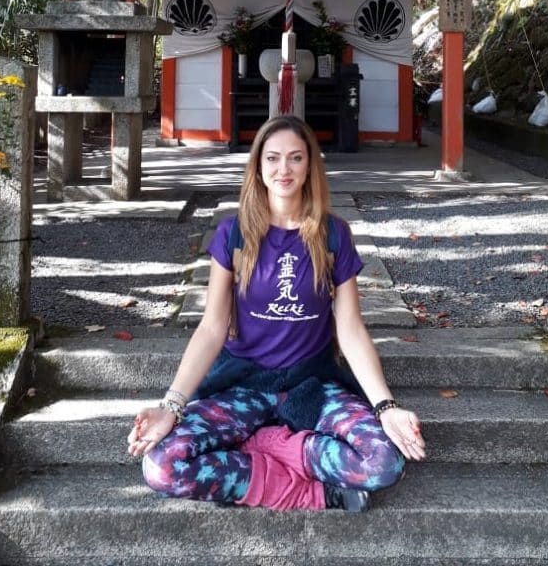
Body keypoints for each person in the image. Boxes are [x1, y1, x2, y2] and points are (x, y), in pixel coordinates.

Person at [127, 115, 425, 512]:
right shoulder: (234, 233)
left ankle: (268, 447)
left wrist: (386, 408)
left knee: (383, 462)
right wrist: (171, 406)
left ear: (309, 167)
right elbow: (212, 327)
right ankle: (312, 493)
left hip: (312, 386)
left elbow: (350, 329)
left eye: (295, 158)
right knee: (163, 466)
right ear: (258, 167)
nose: (283, 169)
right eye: (273, 159)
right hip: (244, 385)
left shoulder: (333, 234)